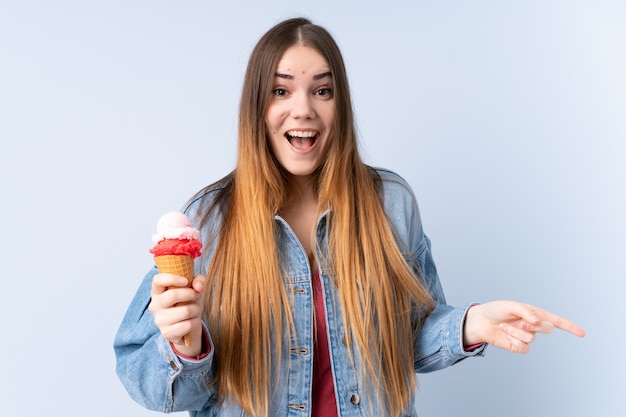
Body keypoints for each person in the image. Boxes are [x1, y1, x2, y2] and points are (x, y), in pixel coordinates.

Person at [114, 17, 585, 417]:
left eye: (322, 90)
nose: (304, 109)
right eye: (281, 90)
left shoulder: (390, 203)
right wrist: (185, 347)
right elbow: (151, 384)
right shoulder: (210, 220)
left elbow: (404, 338)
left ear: (341, 106)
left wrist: (471, 324)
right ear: (257, 107)